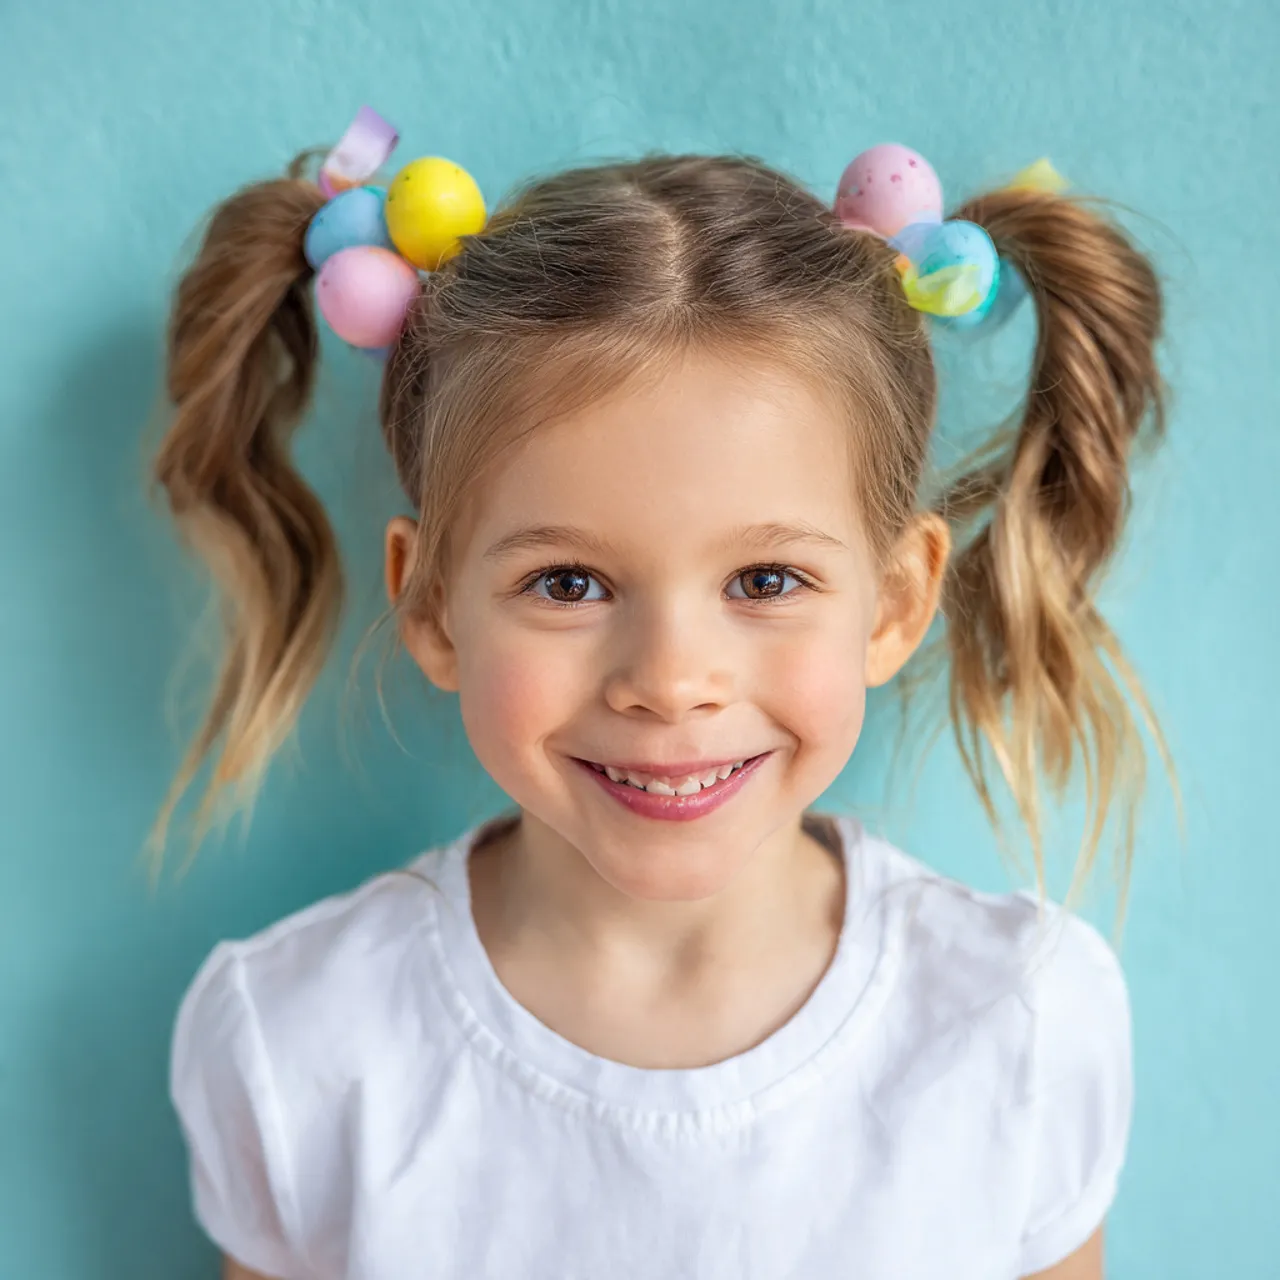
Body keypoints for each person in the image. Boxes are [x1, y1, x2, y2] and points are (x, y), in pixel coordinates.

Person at [154, 110, 1166, 1280]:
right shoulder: (299, 1046)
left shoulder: (1018, 1026)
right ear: (430, 604)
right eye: (568, 581)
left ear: (891, 603)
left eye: (765, 578)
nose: (670, 681)